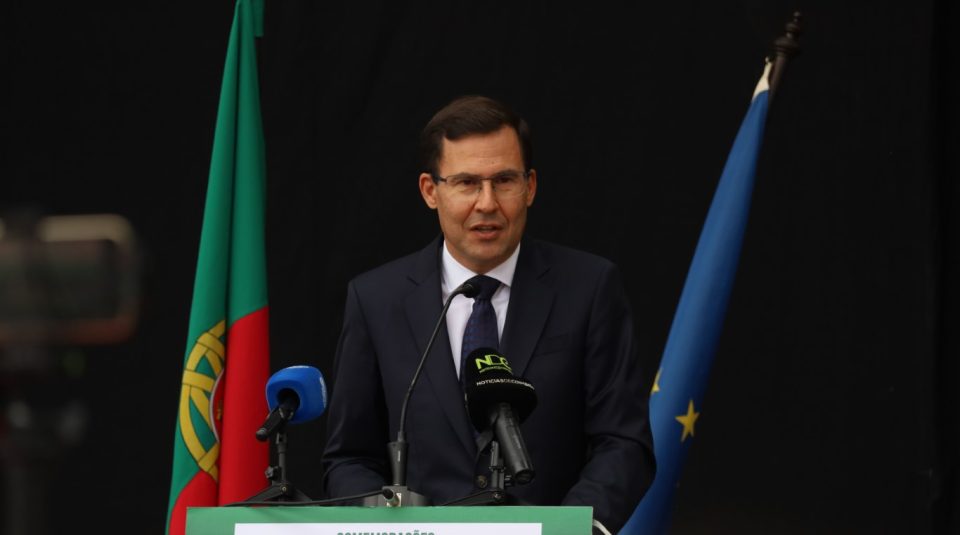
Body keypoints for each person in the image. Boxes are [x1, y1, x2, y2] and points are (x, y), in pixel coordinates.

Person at [321, 95, 655, 533]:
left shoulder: (589, 288)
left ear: (530, 186)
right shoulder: (376, 299)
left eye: (504, 180)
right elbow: (349, 458)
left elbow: (623, 442)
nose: (487, 203)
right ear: (430, 191)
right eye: (466, 183)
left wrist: (572, 530)